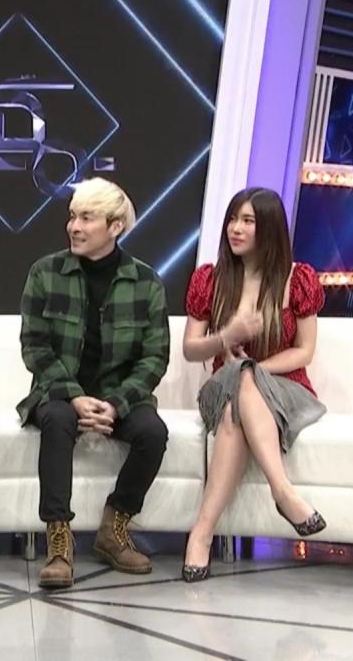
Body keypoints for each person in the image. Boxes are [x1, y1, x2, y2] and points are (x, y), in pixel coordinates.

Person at [17, 177, 170, 589]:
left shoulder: (145, 282)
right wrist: (74, 396)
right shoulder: (45, 273)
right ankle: (58, 541)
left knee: (153, 433)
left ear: (115, 226)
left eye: (87, 218)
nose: (74, 227)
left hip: (119, 396)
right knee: (57, 420)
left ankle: (114, 527)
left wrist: (117, 403)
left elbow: (155, 358)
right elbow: (35, 347)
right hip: (59, 392)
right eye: (72, 217)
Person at [179, 188, 328, 582]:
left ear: (270, 228)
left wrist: (254, 369)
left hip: (286, 388)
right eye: (233, 219)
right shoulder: (210, 279)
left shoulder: (299, 279)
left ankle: (201, 534)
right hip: (223, 385)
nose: (236, 229)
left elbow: (304, 352)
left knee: (239, 398)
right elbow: (191, 349)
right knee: (238, 387)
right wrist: (227, 337)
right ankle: (283, 492)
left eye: (248, 221)